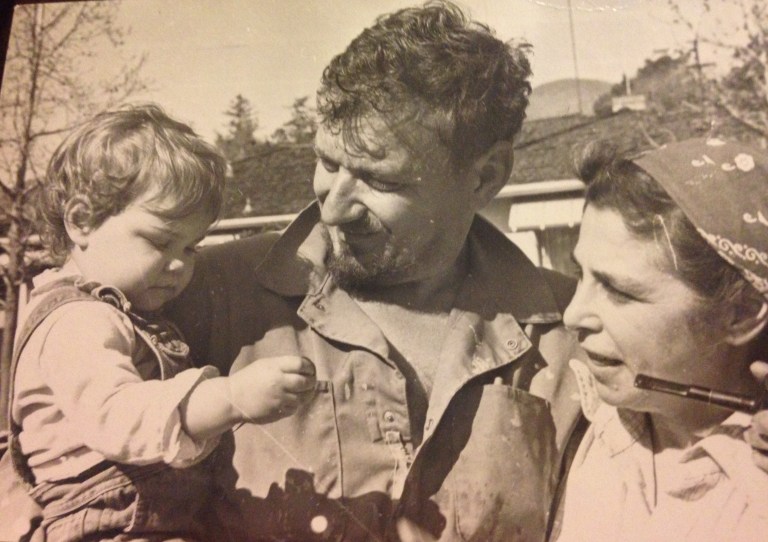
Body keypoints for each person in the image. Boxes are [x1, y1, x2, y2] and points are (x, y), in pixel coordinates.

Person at [168, 2, 585, 541]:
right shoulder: (204, 293)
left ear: (485, 178)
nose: (333, 207)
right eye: (328, 163)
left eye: (379, 180)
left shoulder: (575, 337)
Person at [6, 104, 316, 541]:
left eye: (191, 247)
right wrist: (231, 396)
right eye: (160, 240)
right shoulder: (76, 320)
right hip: (104, 523)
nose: (178, 265)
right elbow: (116, 416)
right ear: (81, 221)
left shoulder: (126, 312)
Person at [554, 138, 768, 541]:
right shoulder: (589, 428)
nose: (572, 316)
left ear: (739, 315)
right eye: (579, 275)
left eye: (619, 291)